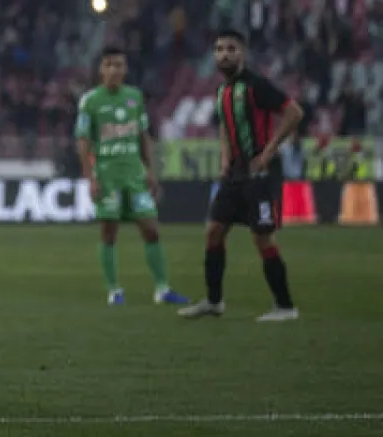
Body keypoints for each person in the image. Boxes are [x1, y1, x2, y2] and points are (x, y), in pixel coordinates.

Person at [180, 30, 304, 321]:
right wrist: (225, 158)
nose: (224, 54)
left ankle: (285, 307)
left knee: (263, 239)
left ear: (242, 54)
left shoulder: (256, 86)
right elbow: (225, 125)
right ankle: (213, 302)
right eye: (219, 49)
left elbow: (294, 112)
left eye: (231, 49)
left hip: (260, 173)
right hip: (235, 172)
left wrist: (269, 151)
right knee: (213, 231)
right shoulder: (222, 91)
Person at [75, 46, 188, 306]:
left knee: (151, 229)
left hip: (134, 175)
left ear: (125, 69)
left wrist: (150, 170)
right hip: (107, 176)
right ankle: (114, 290)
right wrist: (90, 178)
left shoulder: (135, 97)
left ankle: (162, 288)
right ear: (101, 69)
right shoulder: (90, 101)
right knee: (109, 232)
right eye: (109, 64)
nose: (114, 70)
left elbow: (143, 136)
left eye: (119, 65)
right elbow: (82, 141)